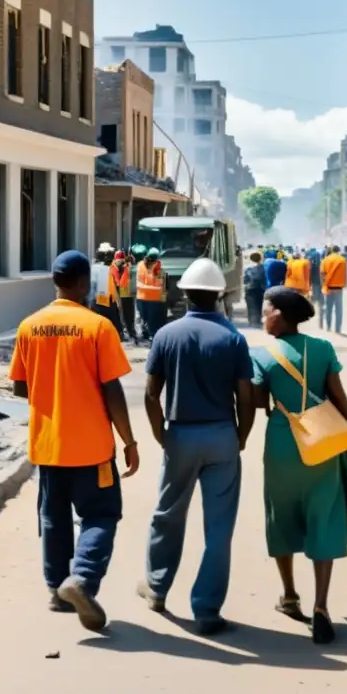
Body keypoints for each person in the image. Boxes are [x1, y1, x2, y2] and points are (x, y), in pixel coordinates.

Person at [9, 250, 139, 632]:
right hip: (93, 447)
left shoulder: (29, 326)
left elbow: (20, 386)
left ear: (55, 281)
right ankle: (81, 579)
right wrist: (129, 440)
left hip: (48, 445)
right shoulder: (97, 327)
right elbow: (112, 389)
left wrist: (53, 388)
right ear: (83, 283)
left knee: (53, 517)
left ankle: (56, 590)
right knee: (101, 514)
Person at [251, 287, 347, 644]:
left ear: (280, 314)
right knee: (322, 518)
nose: (263, 316)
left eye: (266, 310)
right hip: (323, 443)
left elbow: (260, 401)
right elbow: (338, 396)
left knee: (280, 516)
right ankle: (321, 605)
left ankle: (289, 596)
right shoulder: (323, 349)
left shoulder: (261, 354)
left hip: (282, 442)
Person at [139, 258, 256, 635]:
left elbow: (151, 395)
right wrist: (241, 437)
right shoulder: (234, 339)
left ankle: (157, 588)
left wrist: (161, 435)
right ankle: (206, 610)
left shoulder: (166, 335)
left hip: (181, 434)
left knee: (167, 515)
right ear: (219, 294)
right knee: (219, 527)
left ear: (185, 293)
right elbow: (246, 397)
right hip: (222, 434)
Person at [136, 247, 165, 340]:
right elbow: (138, 283)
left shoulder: (158, 267)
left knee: (152, 319)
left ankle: (152, 336)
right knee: (144, 318)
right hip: (143, 297)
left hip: (153, 299)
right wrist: (152, 288)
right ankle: (146, 335)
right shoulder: (140, 265)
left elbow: (161, 283)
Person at [320, 246, 347, 334]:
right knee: (339, 309)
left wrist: (324, 284)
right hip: (339, 288)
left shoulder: (325, 260)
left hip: (328, 287)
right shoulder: (343, 260)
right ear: (338, 251)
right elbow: (345, 274)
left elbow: (322, 273)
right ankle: (338, 329)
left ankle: (328, 327)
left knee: (328, 308)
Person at [112, 250, 136, 343]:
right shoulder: (127, 267)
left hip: (122, 294)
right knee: (127, 316)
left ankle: (126, 332)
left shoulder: (114, 267)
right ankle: (128, 332)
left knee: (123, 315)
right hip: (125, 294)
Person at [243, 251, 266, 326]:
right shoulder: (262, 267)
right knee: (259, 304)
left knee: (250, 305)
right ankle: (258, 320)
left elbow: (245, 279)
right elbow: (264, 278)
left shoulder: (247, 267)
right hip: (260, 288)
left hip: (249, 288)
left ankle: (252, 321)